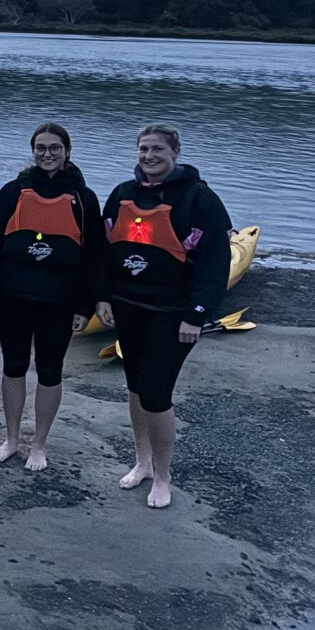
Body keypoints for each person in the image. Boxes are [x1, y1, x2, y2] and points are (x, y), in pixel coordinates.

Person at [95, 123, 230, 509]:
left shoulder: (200, 199)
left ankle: (165, 476)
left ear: (175, 152)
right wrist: (102, 297)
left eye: (157, 149)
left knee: (156, 393)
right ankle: (143, 463)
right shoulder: (123, 194)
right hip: (128, 306)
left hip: (172, 314)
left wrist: (197, 315)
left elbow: (215, 264)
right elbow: (105, 253)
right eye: (143, 150)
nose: (149, 156)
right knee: (136, 387)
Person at [0, 123, 105, 470]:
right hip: (14, 297)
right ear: (32, 151)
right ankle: (12, 439)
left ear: (67, 152)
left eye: (54, 148)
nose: (47, 154)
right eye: (40, 148)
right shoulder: (13, 192)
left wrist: (85, 305)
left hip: (59, 302)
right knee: (14, 366)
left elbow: (94, 256)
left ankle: (39, 445)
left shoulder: (83, 199)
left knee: (50, 371)